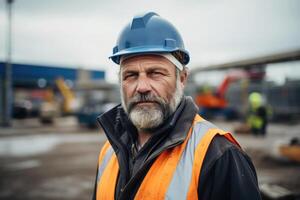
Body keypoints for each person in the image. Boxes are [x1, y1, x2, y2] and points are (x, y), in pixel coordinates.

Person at [92, 12, 261, 200]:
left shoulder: (218, 155)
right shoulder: (109, 151)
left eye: (155, 73)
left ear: (182, 79)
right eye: (130, 75)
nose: (142, 87)